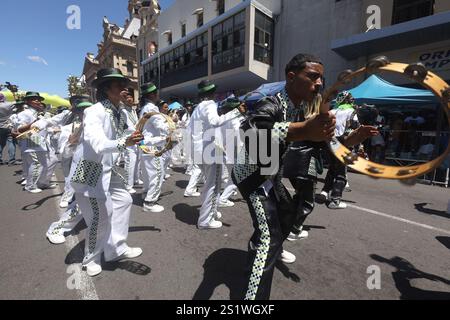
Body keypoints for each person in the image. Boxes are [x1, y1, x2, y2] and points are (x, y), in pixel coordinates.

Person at [232, 53, 336, 300]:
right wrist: (301, 130)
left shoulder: (299, 109)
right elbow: (250, 129)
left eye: (321, 77)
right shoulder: (272, 102)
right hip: (253, 177)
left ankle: (265, 251)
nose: (319, 83)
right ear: (291, 77)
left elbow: (320, 142)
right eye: (313, 76)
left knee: (288, 215)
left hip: (271, 176)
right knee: (268, 237)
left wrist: (354, 139)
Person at [70, 68, 144, 277]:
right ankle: (90, 259)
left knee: (124, 201)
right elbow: (99, 144)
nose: (125, 88)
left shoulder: (121, 111)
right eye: (119, 85)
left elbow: (133, 134)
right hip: (90, 169)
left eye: (124, 85)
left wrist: (151, 143)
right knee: (100, 215)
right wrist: (125, 141)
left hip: (111, 170)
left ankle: (115, 249)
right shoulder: (94, 111)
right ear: (106, 88)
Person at [187, 80, 242, 229]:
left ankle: (210, 211)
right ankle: (205, 221)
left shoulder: (198, 107)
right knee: (213, 185)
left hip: (198, 150)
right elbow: (215, 121)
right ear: (212, 93)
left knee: (209, 184)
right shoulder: (209, 104)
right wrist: (232, 112)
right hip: (209, 150)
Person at [46, 97, 94, 244]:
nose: (84, 112)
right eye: (81, 110)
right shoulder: (71, 127)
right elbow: (66, 151)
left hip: (100, 166)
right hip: (85, 167)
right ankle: (56, 229)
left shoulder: (98, 124)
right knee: (81, 203)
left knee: (116, 201)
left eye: (88, 109)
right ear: (77, 112)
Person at [321, 94, 379, 209]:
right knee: (341, 172)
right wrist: (359, 148)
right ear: (348, 100)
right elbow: (355, 131)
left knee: (333, 168)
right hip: (344, 142)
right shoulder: (352, 112)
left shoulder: (332, 110)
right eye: (351, 99)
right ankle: (335, 200)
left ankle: (324, 191)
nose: (353, 101)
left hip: (329, 142)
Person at [17, 92, 58, 193]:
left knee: (52, 160)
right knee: (35, 164)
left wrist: (54, 129)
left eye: (38, 99)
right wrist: (33, 123)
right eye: (34, 99)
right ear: (27, 101)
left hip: (42, 141)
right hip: (31, 141)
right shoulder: (24, 114)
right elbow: (20, 129)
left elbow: (45, 127)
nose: (37, 101)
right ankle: (30, 186)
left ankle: (43, 182)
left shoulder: (41, 113)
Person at [140, 100, 172, 213]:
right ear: (153, 95)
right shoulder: (152, 108)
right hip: (152, 145)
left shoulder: (144, 108)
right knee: (158, 173)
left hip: (144, 144)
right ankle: (150, 202)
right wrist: (173, 129)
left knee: (148, 173)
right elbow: (162, 126)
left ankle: (146, 193)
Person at [121, 88, 141, 194]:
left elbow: (136, 123)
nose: (129, 99)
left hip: (136, 138)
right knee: (130, 162)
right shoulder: (123, 111)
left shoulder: (133, 110)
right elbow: (125, 127)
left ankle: (136, 179)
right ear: (124, 100)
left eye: (131, 97)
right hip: (128, 139)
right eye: (127, 98)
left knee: (138, 161)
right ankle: (128, 185)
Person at [0, 93, 17, 165]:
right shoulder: (8, 104)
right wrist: (13, 92)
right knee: (11, 142)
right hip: (8, 126)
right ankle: (11, 160)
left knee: (0, 144)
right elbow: (17, 101)